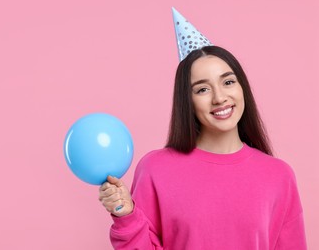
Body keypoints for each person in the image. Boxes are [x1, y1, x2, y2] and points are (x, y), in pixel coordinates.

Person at [98, 46, 307, 249]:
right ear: (187, 101)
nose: (219, 98)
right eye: (203, 89)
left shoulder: (279, 175)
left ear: (242, 87)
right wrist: (126, 216)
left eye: (228, 82)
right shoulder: (155, 169)